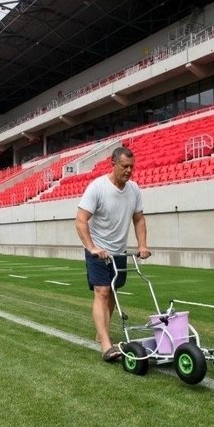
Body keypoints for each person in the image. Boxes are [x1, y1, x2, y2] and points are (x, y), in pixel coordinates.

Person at [76, 147, 151, 362]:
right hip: (98, 251)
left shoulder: (134, 190)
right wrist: (92, 247)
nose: (129, 171)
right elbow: (81, 220)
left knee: (113, 293)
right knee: (102, 292)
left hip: (119, 252)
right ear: (113, 163)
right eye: (124, 167)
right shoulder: (97, 187)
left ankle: (102, 332)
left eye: (131, 167)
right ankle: (107, 346)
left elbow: (139, 219)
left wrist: (143, 245)